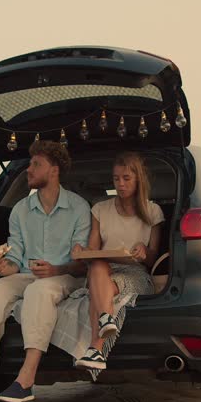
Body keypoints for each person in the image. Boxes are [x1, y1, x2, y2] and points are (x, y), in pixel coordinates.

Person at [0, 140, 91, 402]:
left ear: (54, 170)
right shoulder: (21, 210)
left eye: (36, 164)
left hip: (64, 277)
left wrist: (56, 270)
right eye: (30, 163)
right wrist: (4, 266)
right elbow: (15, 255)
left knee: (39, 291)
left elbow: (82, 264)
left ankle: (26, 378)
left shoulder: (79, 208)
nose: (28, 170)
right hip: (28, 275)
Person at [71, 152, 164, 370]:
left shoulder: (153, 211)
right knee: (96, 264)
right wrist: (80, 250)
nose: (120, 184)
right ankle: (105, 322)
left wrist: (144, 251)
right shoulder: (100, 209)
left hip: (136, 273)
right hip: (103, 270)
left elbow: (153, 259)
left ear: (138, 179)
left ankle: (97, 347)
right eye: (116, 179)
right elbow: (93, 251)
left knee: (98, 287)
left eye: (126, 178)